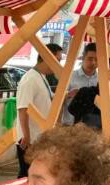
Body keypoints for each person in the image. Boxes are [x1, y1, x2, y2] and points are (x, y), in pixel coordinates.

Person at [15, 43, 64, 178]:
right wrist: (26, 136)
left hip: (39, 137)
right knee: (27, 174)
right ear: (46, 58)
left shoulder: (41, 76)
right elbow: (23, 108)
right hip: (30, 139)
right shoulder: (30, 79)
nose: (58, 64)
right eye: (57, 60)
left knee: (34, 174)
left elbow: (48, 99)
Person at [63, 42, 98, 125]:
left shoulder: (102, 80)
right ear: (83, 57)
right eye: (90, 59)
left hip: (92, 127)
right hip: (69, 125)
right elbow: (56, 99)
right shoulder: (69, 76)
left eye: (97, 59)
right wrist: (68, 95)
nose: (93, 62)